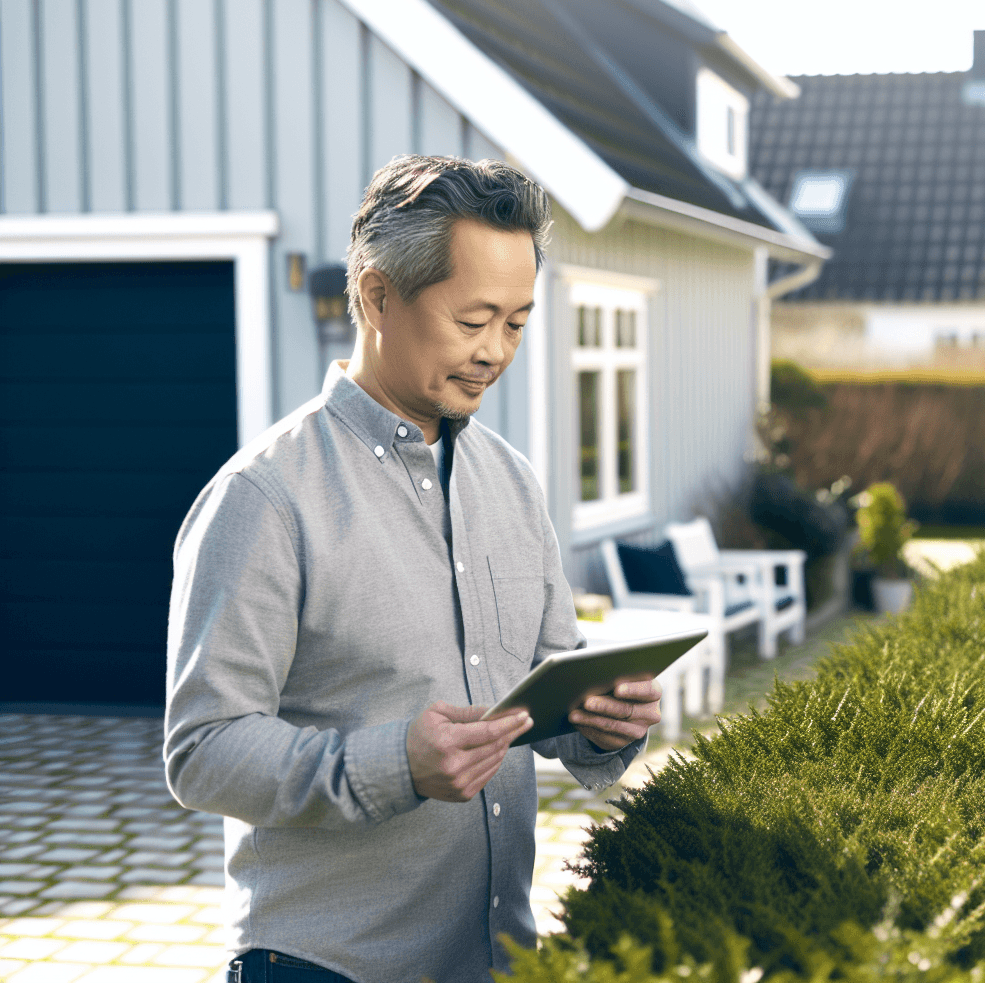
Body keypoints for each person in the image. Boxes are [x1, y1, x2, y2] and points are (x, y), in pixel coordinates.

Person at [163, 155, 661, 983]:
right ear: (377, 295)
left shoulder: (512, 481)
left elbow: (542, 691)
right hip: (322, 965)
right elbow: (203, 748)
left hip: (496, 959)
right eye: (473, 321)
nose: (495, 353)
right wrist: (395, 766)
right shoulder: (265, 498)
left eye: (517, 323)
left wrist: (602, 719)